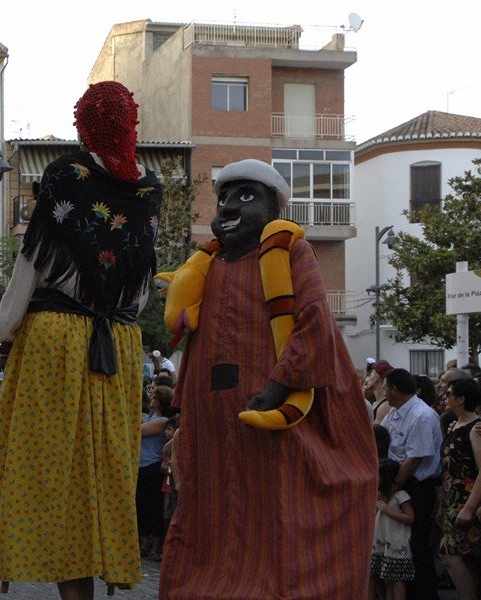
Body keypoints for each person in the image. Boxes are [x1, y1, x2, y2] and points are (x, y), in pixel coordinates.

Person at [0, 81, 163, 598]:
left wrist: (6, 333)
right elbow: (141, 284)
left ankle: (63, 579)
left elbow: (32, 260)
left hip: (57, 339)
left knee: (48, 470)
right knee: (104, 474)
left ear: (85, 124)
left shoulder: (64, 175)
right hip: (119, 342)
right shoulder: (150, 188)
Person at [155, 159, 377, 598]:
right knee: (210, 527)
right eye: (222, 199)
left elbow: (313, 320)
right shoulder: (204, 270)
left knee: (282, 523)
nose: (229, 208)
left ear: (275, 207)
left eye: (245, 196)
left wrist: (279, 385)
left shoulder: (293, 251)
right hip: (215, 439)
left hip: (276, 429)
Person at [381, 367, 443, 600]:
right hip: (398, 483)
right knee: (399, 546)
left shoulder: (421, 415)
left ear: (394, 390)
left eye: (385, 387)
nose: (384, 391)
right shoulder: (393, 413)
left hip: (416, 487)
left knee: (416, 545)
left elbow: (414, 459)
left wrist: (394, 487)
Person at [437, 379, 481, 600]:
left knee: (449, 555)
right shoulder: (457, 425)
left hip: (466, 501)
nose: (445, 397)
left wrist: (469, 508)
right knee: (465, 557)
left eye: (450, 394)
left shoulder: (476, 429)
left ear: (461, 399)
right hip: (453, 501)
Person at [137, 385, 174, 562]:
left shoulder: (163, 420)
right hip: (142, 464)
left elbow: (140, 430)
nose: (152, 398)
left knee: (153, 507)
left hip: (152, 465)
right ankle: (143, 540)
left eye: (155, 396)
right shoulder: (150, 416)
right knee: (142, 505)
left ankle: (153, 542)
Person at [371, 458, 415, 600]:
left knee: (397, 578)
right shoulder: (381, 495)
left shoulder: (400, 495)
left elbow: (410, 518)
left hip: (397, 543)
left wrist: (389, 511)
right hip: (383, 541)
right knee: (387, 578)